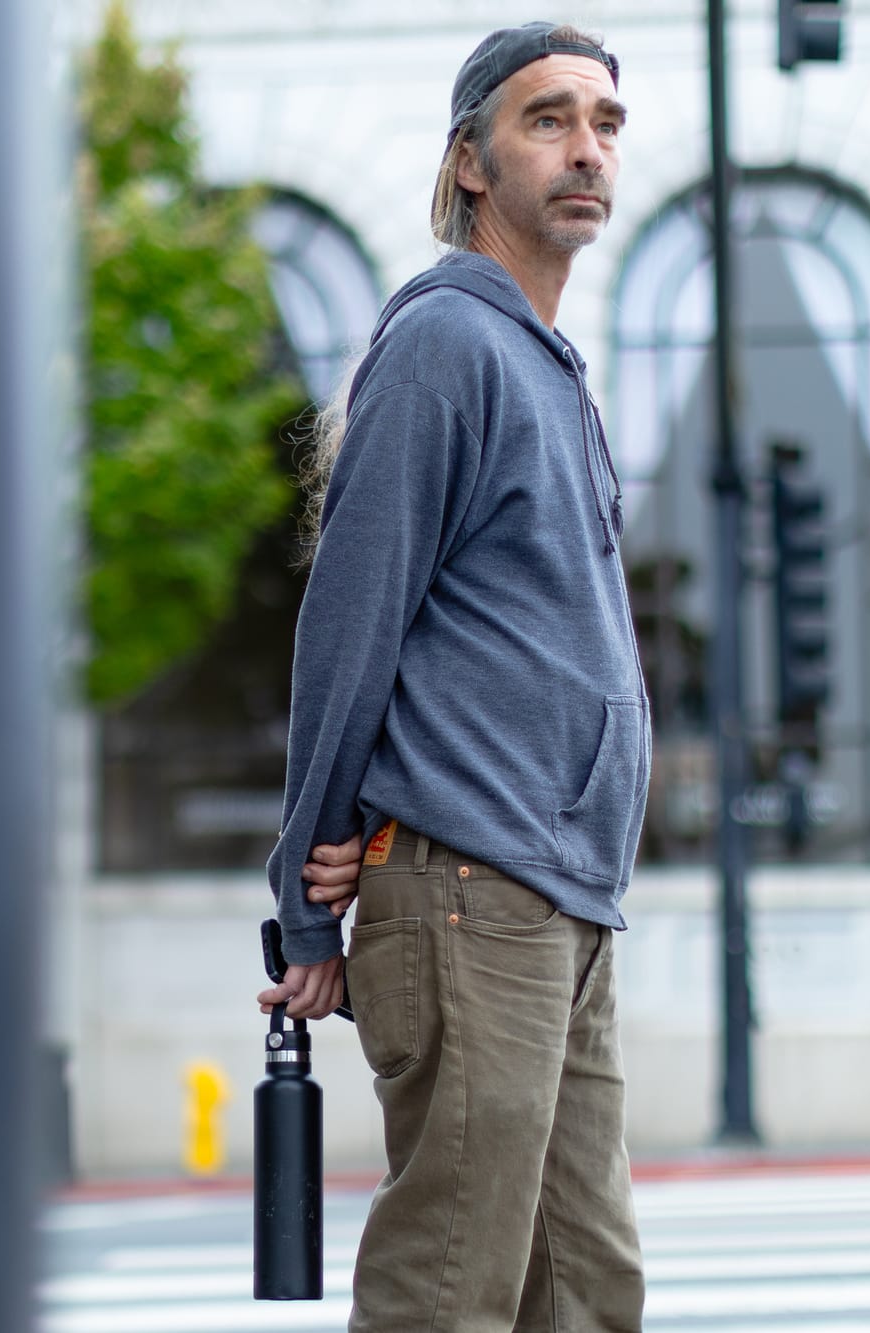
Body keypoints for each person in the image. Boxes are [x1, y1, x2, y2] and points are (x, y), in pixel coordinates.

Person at [256, 20, 650, 1332]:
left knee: (584, 1293)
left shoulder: (548, 366)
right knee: (449, 1296)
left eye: (603, 122)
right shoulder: (445, 345)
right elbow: (349, 624)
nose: (586, 147)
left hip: (560, 898)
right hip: (476, 890)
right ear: (473, 160)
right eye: (549, 119)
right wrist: (309, 891)